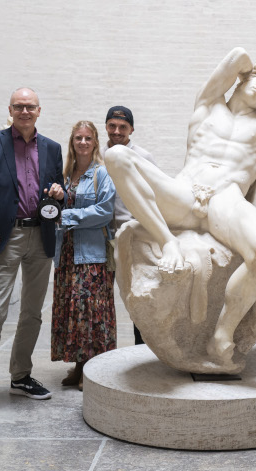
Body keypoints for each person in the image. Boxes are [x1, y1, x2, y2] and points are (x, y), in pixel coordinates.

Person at [104, 47, 256, 365]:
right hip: (182, 194)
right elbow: (238, 56)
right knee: (116, 156)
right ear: (243, 79)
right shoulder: (208, 104)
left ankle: (222, 338)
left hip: (226, 201)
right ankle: (168, 242)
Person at [0, 87, 65, 416]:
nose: (25, 111)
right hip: (2, 238)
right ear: (10, 109)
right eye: (19, 106)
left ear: (39, 111)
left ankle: (21, 375)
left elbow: (56, 191)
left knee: (33, 311)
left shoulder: (52, 148)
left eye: (30, 107)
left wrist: (59, 191)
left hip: (41, 236)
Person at [52, 121, 116, 391]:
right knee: (73, 313)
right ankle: (78, 365)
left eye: (88, 138)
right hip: (66, 253)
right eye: (78, 138)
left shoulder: (102, 173)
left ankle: (93, 368)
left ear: (95, 142)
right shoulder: (64, 174)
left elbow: (105, 211)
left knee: (91, 312)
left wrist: (66, 215)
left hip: (91, 254)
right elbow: (52, 208)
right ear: (72, 142)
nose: (83, 142)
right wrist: (55, 200)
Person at [101, 105, 155, 345]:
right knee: (100, 300)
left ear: (131, 129)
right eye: (112, 125)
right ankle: (102, 356)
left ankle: (142, 352)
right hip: (100, 237)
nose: (117, 131)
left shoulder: (143, 156)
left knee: (138, 297)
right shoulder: (97, 155)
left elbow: (155, 194)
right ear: (106, 126)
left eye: (123, 126)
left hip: (132, 236)